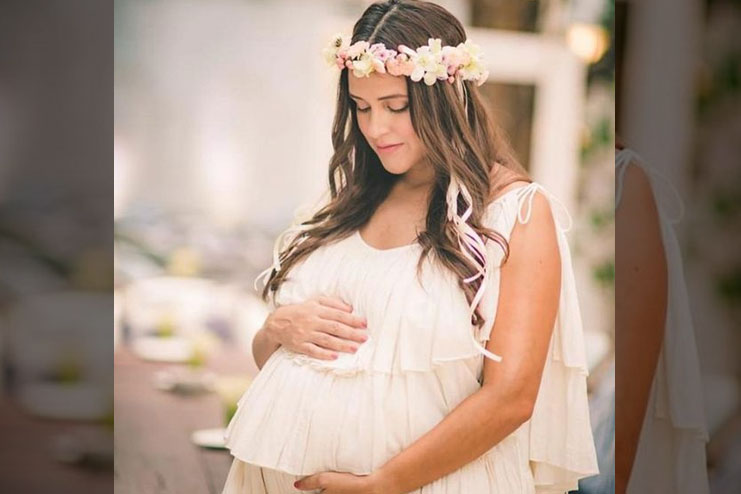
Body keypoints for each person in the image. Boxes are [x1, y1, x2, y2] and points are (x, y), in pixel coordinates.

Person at [222, 1, 598, 492]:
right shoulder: (350, 203)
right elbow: (276, 362)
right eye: (362, 107)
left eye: (396, 107)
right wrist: (277, 327)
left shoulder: (516, 213)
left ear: (446, 96)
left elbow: (512, 397)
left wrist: (386, 481)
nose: (376, 128)